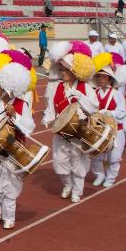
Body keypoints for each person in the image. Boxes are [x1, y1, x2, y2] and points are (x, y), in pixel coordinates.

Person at [0, 53, 37, 230]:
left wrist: (14, 116)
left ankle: (9, 216)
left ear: (8, 86)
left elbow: (29, 127)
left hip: (13, 150)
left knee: (9, 187)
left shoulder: (21, 104)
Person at [42, 43, 99, 203]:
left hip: (79, 131)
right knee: (59, 165)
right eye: (60, 69)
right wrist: (47, 117)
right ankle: (67, 184)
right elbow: (51, 107)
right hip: (61, 131)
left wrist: (80, 97)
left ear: (74, 70)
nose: (62, 72)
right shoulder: (57, 87)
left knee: (79, 164)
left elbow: (94, 107)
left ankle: (77, 191)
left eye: (65, 69)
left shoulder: (85, 87)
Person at [88, 53, 126, 189]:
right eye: (99, 76)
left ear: (110, 79)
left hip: (115, 130)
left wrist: (110, 113)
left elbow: (123, 112)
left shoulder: (117, 94)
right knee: (95, 154)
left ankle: (110, 177)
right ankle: (99, 174)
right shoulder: (95, 93)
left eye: (104, 76)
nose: (101, 79)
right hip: (99, 129)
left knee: (113, 157)